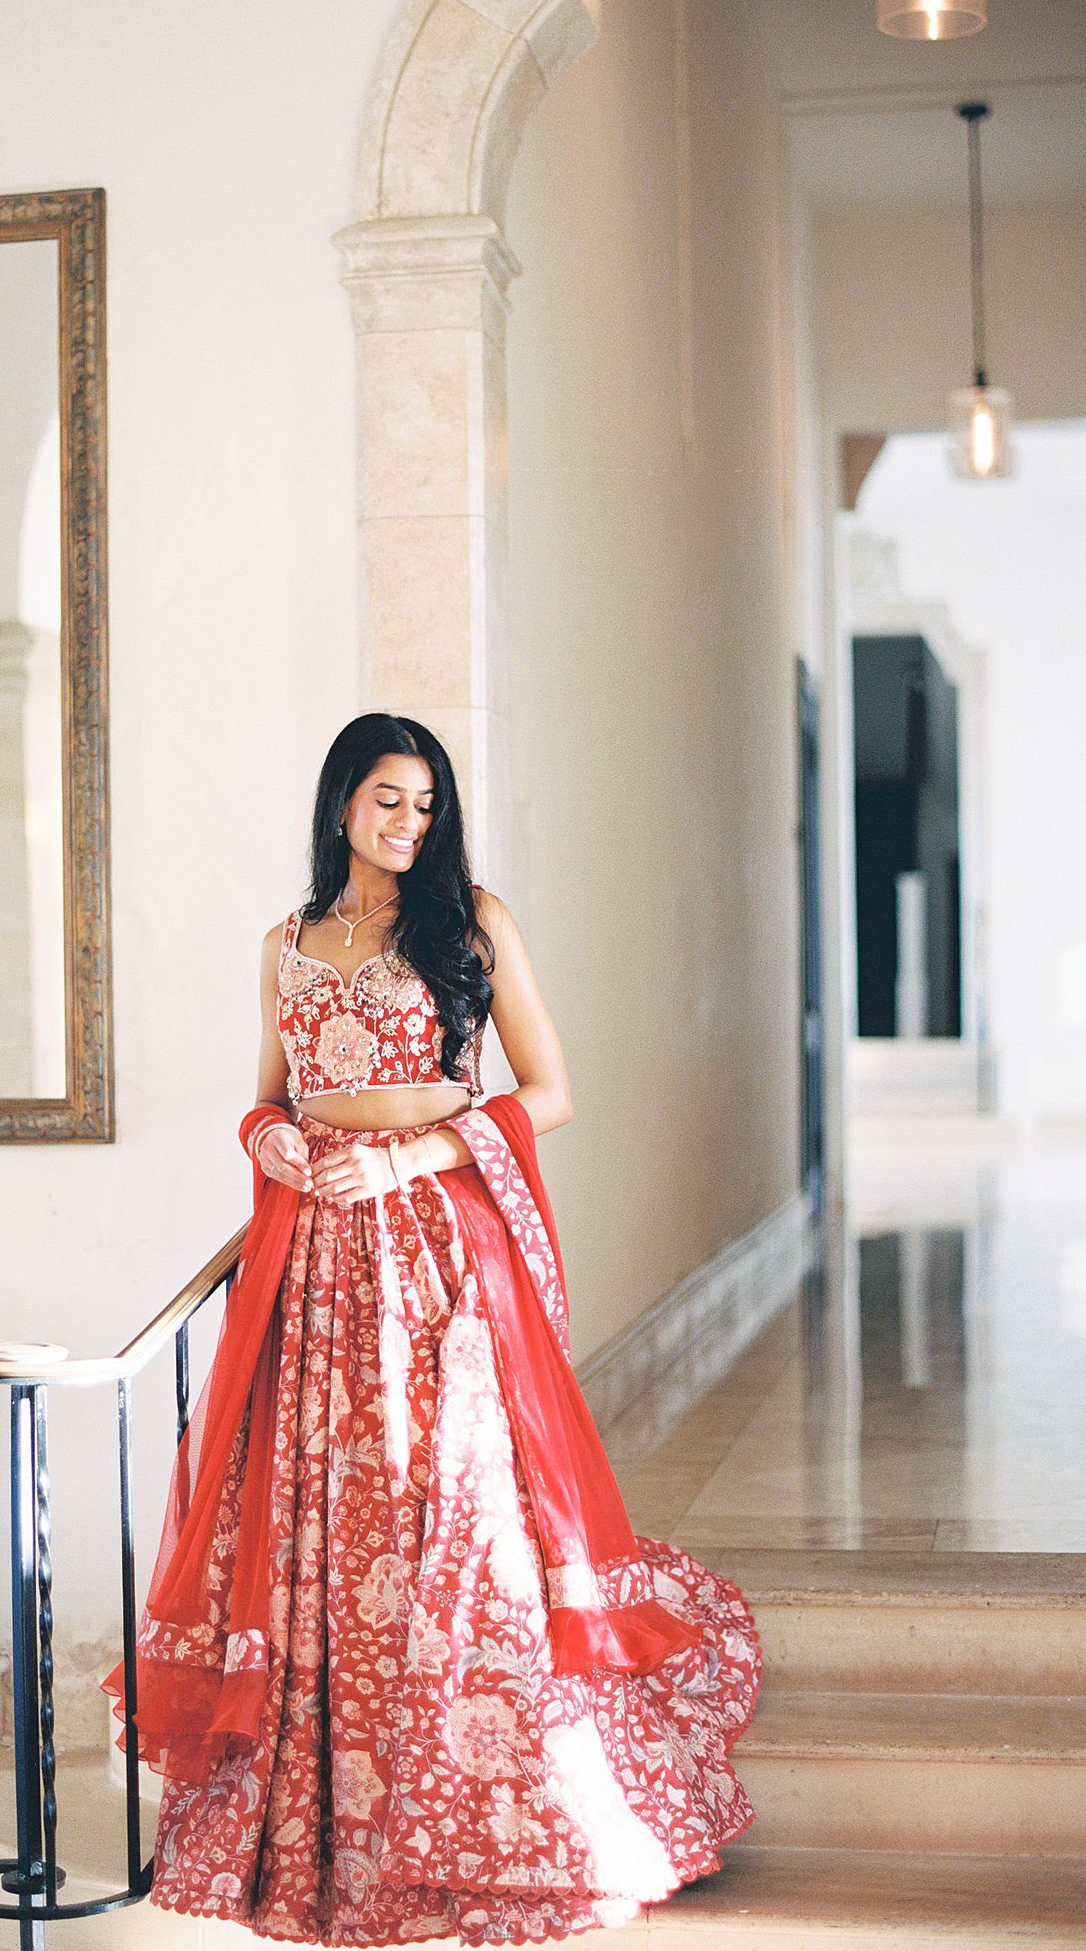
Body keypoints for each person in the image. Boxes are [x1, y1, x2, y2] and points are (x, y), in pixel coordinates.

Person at [102, 711, 761, 1945]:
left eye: (425, 804)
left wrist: (406, 1153)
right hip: (316, 1262)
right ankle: (330, 1807)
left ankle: (484, 1796)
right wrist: (279, 1141)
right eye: (386, 800)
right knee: (330, 1514)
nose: (407, 825)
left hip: (436, 1248)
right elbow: (263, 1096)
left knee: (446, 1497)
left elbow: (549, 1092)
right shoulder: (287, 944)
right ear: (340, 801)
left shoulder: (473, 923)